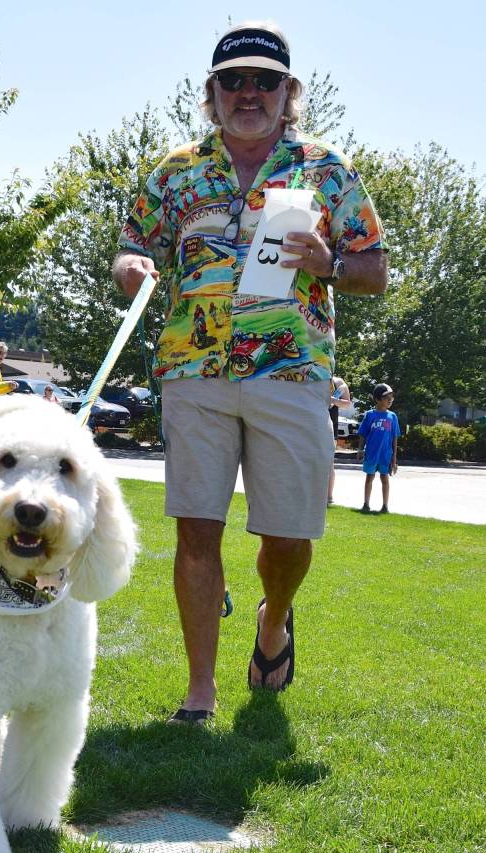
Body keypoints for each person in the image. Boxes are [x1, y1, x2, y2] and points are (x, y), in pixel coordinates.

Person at [112, 20, 387, 721]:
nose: (249, 93)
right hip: (194, 369)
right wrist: (132, 267)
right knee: (196, 530)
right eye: (233, 81)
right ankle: (199, 691)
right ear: (211, 93)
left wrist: (332, 265)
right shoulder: (175, 172)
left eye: (265, 81)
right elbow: (130, 246)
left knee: (288, 539)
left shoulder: (328, 169)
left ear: (289, 92)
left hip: (292, 374)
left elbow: (375, 270)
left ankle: (273, 617)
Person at [357, 383, 399, 514]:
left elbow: (394, 437)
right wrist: (360, 449)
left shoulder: (392, 416)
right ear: (377, 399)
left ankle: (385, 506)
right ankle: (366, 504)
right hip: (371, 453)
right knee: (369, 477)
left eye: (391, 398)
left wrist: (394, 457)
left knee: (384, 478)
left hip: (386, 454)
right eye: (387, 398)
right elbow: (363, 434)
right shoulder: (370, 415)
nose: (390, 400)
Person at [327, 375, 352, 505]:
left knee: (329, 463)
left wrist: (332, 400)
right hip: (311, 425)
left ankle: (329, 497)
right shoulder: (311, 375)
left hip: (330, 428)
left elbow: (347, 404)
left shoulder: (338, 382)